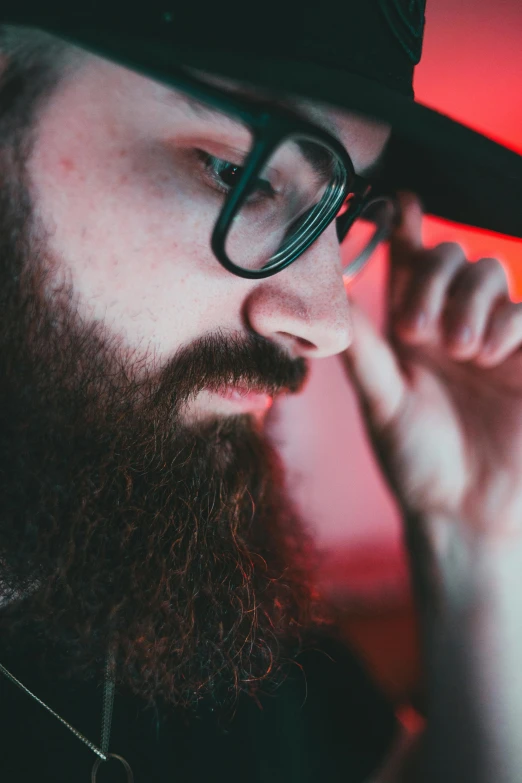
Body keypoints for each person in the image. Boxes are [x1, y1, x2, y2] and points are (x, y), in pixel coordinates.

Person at [0, 2, 521, 782]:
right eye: (236, 172)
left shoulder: (174, 584)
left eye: (338, 212)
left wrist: (475, 534)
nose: (327, 321)